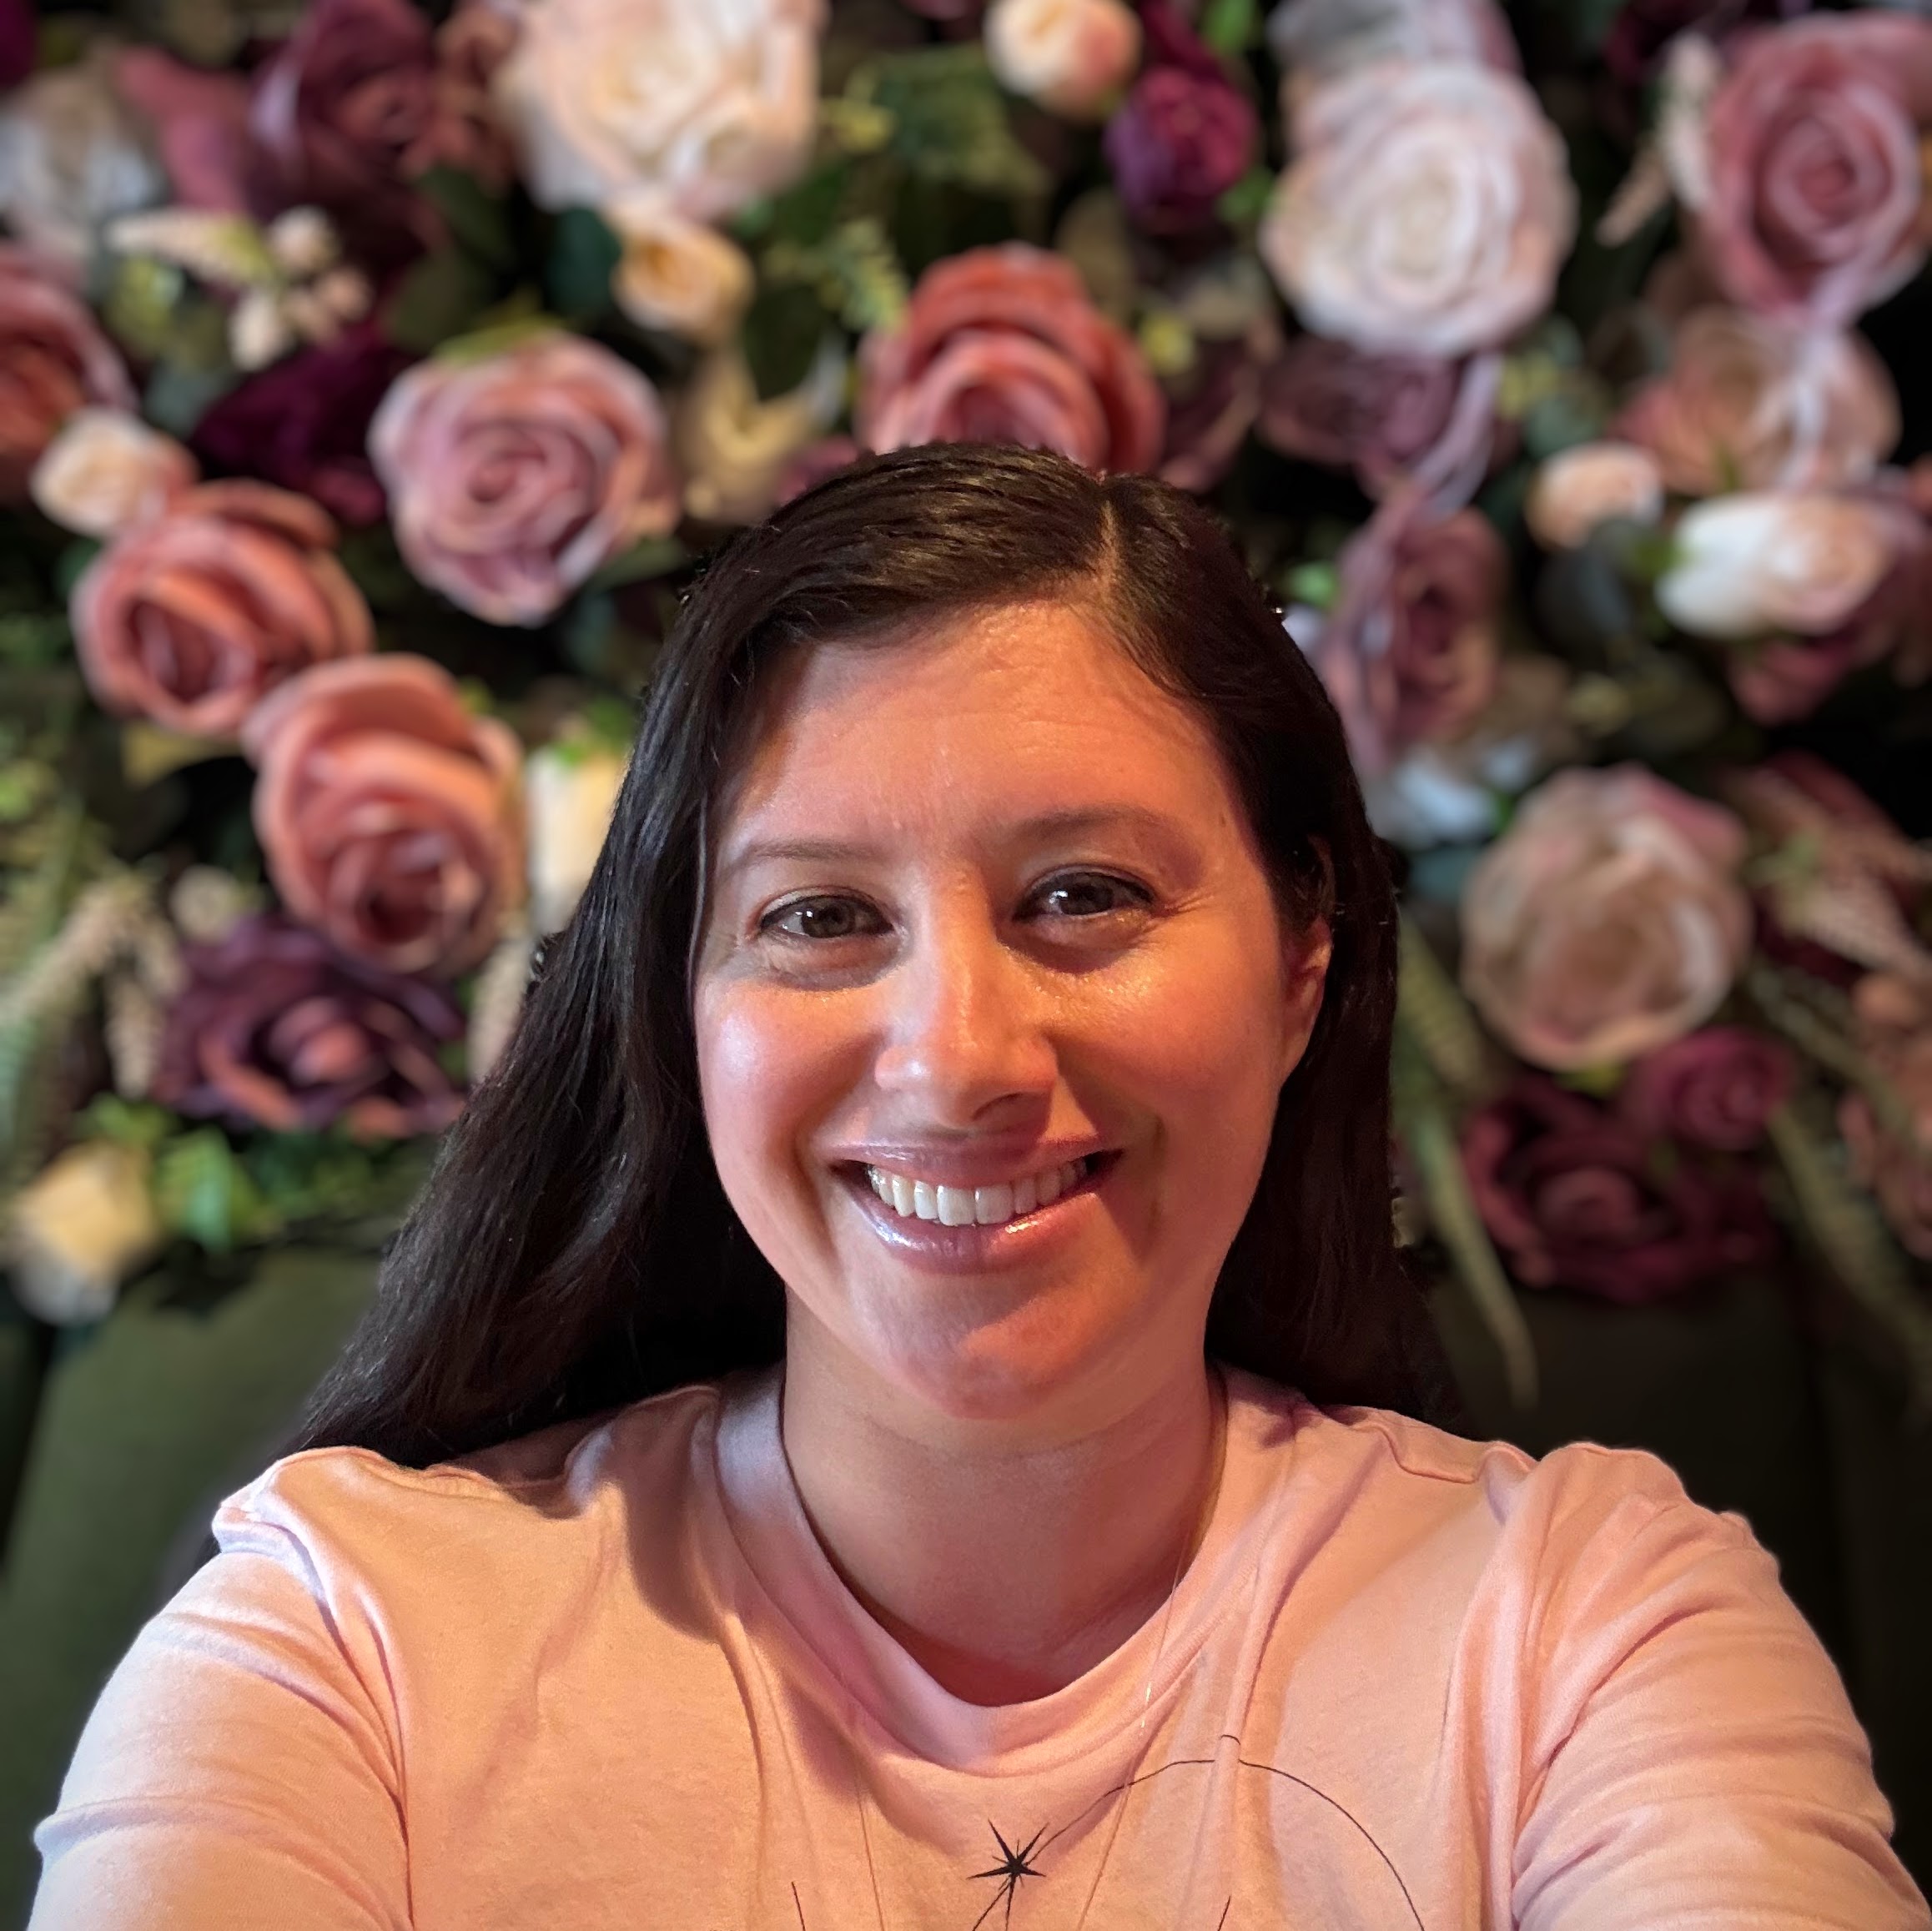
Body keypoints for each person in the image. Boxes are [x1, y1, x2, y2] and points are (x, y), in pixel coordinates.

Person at [29, 445, 1927, 1929]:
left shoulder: (1590, 1632)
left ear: (1301, 963)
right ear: (678, 1007)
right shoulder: (342, 1646)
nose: (956, 1059)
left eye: (1084, 896)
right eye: (819, 917)